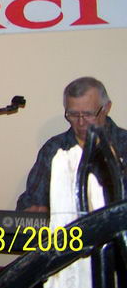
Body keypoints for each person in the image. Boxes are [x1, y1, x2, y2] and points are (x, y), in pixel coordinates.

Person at [17, 76, 127, 212]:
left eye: (88, 114)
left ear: (106, 108)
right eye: (73, 115)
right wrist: (35, 210)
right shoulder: (54, 148)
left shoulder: (123, 144)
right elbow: (29, 201)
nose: (81, 122)